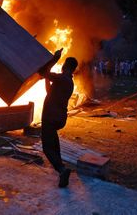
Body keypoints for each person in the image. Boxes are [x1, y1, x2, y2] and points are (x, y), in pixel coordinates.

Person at [38, 48, 78, 188]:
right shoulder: (68, 82)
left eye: (63, 64)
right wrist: (46, 80)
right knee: (54, 144)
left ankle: (61, 169)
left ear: (66, 66)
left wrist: (54, 59)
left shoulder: (62, 79)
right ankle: (62, 169)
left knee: (47, 148)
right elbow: (49, 91)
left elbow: (43, 72)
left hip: (50, 117)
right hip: (58, 117)